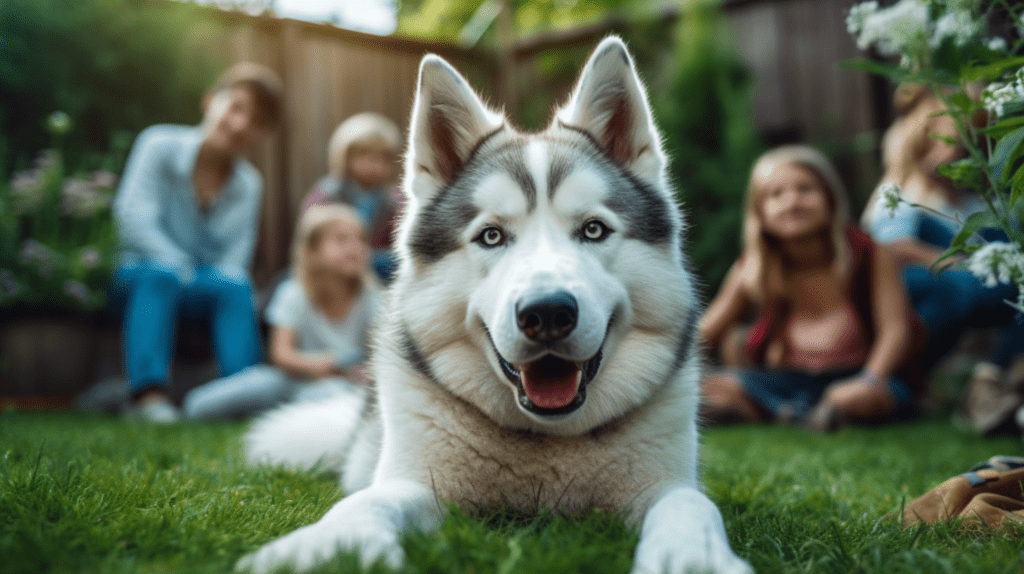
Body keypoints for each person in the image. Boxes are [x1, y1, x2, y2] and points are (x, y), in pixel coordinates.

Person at [700, 145, 923, 431]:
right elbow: (702, 336)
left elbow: (895, 330)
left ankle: (798, 412)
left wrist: (869, 380)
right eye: (776, 195)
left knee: (866, 399)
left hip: (859, 375)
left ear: (830, 200)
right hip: (784, 380)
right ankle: (794, 412)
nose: (792, 202)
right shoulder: (751, 269)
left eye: (806, 189)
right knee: (710, 389)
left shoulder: (871, 253)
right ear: (760, 213)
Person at [111, 62, 284, 423]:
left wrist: (200, 275)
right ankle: (148, 397)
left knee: (236, 285)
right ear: (210, 101)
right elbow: (132, 220)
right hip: (139, 276)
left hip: (197, 284)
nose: (240, 125)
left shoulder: (248, 185)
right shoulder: (158, 144)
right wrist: (178, 265)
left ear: (260, 134)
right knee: (161, 274)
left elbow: (235, 258)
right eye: (235, 108)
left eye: (255, 122)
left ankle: (241, 396)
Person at [182, 204, 379, 420]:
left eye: (361, 240)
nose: (355, 248)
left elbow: (379, 357)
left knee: (337, 404)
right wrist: (318, 364)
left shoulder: (371, 297)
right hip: (286, 379)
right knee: (200, 405)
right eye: (341, 240)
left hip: (337, 384)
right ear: (311, 251)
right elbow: (280, 354)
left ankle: (274, 414)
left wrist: (356, 372)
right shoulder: (294, 292)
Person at [301, 112, 403, 281]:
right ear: (345, 156)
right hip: (332, 267)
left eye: (383, 157)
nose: (374, 164)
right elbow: (310, 240)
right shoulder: (328, 194)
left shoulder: (394, 200)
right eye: (365, 155)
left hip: (376, 272)